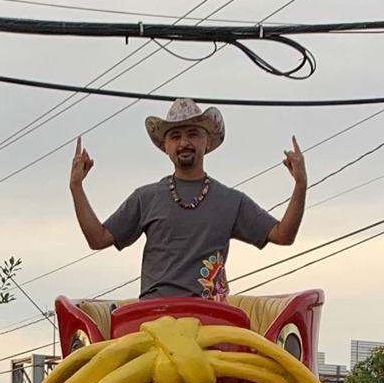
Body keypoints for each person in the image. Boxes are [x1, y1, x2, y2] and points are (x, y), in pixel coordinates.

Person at [69, 97, 306, 302]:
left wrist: (300, 185)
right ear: (165, 146)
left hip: (211, 319)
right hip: (153, 317)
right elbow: (98, 238)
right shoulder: (146, 198)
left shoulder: (231, 201)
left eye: (192, 134)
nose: (184, 142)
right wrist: (76, 187)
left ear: (207, 141)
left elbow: (283, 235)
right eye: (175, 136)